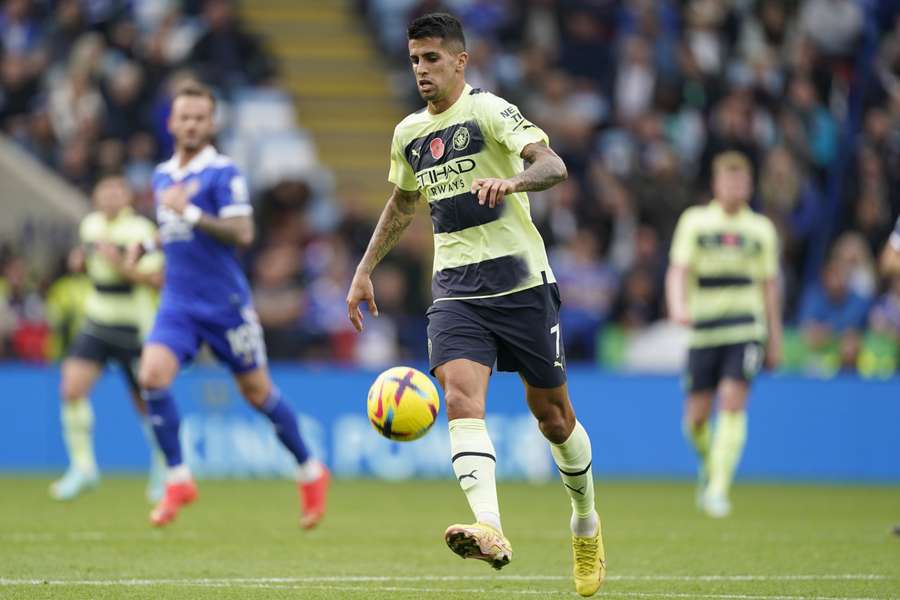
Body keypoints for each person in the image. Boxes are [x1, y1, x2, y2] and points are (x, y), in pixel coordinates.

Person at [345, 13, 605, 597]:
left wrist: (513, 184)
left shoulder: (490, 111)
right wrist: (365, 269)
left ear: (460, 61)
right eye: (414, 60)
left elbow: (553, 163)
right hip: (457, 291)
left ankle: (585, 521)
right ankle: (490, 526)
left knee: (554, 419)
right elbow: (402, 202)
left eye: (432, 59)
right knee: (461, 397)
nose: (421, 71)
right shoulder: (408, 132)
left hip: (522, 285)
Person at [133, 82, 328, 528]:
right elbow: (169, 228)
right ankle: (179, 478)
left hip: (225, 305)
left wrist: (193, 213)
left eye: (200, 117)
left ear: (211, 123)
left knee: (257, 393)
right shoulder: (163, 175)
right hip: (178, 304)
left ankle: (311, 471)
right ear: (171, 122)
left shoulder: (224, 173)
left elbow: (242, 233)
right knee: (151, 375)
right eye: (185, 117)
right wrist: (144, 244)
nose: (192, 124)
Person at [666, 151, 782, 518]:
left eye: (741, 181)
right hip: (703, 331)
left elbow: (770, 288)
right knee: (695, 420)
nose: (734, 187)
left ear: (749, 186)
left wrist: (774, 338)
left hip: (745, 328)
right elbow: (678, 271)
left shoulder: (761, 229)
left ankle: (718, 489)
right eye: (728, 180)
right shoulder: (696, 222)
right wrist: (677, 307)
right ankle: (711, 466)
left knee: (732, 401)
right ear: (716, 185)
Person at [50, 175, 167, 502]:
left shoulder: (141, 231)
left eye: (118, 192)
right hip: (98, 320)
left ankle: (162, 467)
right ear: (96, 196)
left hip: (134, 326)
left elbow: (157, 279)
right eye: (105, 191)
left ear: (127, 197)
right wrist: (83, 262)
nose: (111, 197)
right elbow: (91, 262)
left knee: (145, 404)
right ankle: (83, 468)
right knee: (71, 388)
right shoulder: (90, 226)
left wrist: (119, 264)